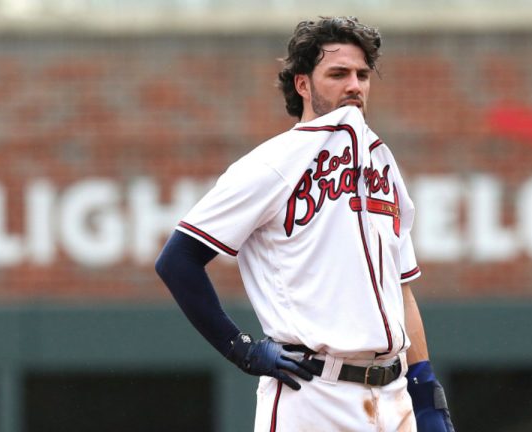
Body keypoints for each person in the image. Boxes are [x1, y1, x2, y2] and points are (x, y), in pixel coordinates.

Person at [155, 16, 454, 431]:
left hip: (391, 393)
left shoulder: (382, 164)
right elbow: (178, 259)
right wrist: (240, 348)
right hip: (313, 392)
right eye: (338, 73)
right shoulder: (272, 163)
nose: (355, 85)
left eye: (362, 74)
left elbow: (400, 287)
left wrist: (426, 391)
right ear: (303, 85)